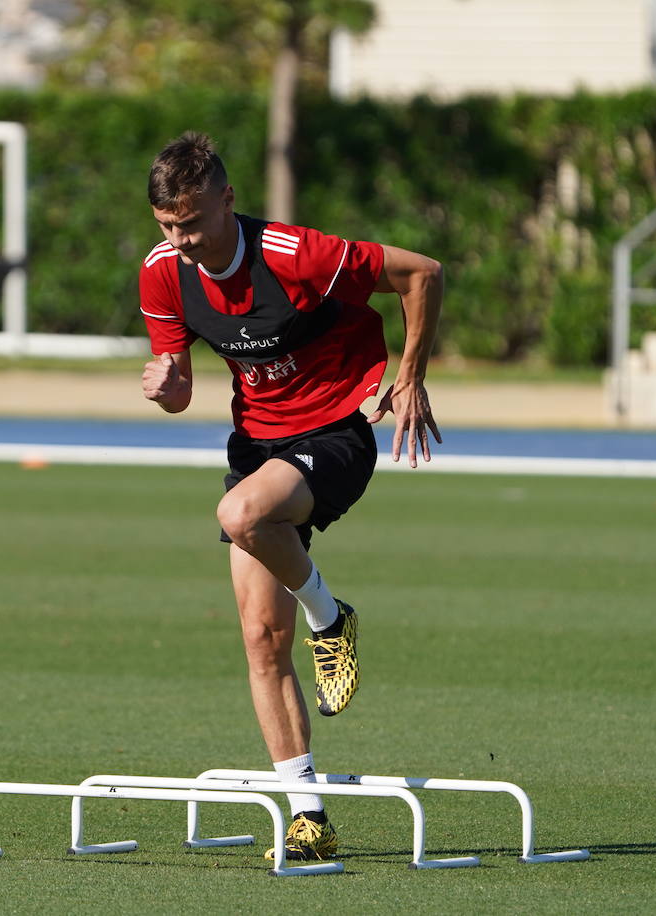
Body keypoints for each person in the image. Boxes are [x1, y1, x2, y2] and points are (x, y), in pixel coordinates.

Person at [138, 132, 443, 862]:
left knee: (239, 512)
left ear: (226, 200)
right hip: (258, 447)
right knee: (259, 639)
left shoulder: (295, 253)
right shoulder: (162, 275)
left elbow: (423, 273)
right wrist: (166, 388)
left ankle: (330, 617)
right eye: (167, 227)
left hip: (337, 433)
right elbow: (179, 388)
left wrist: (409, 374)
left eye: (192, 222)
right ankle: (309, 815)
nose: (181, 240)